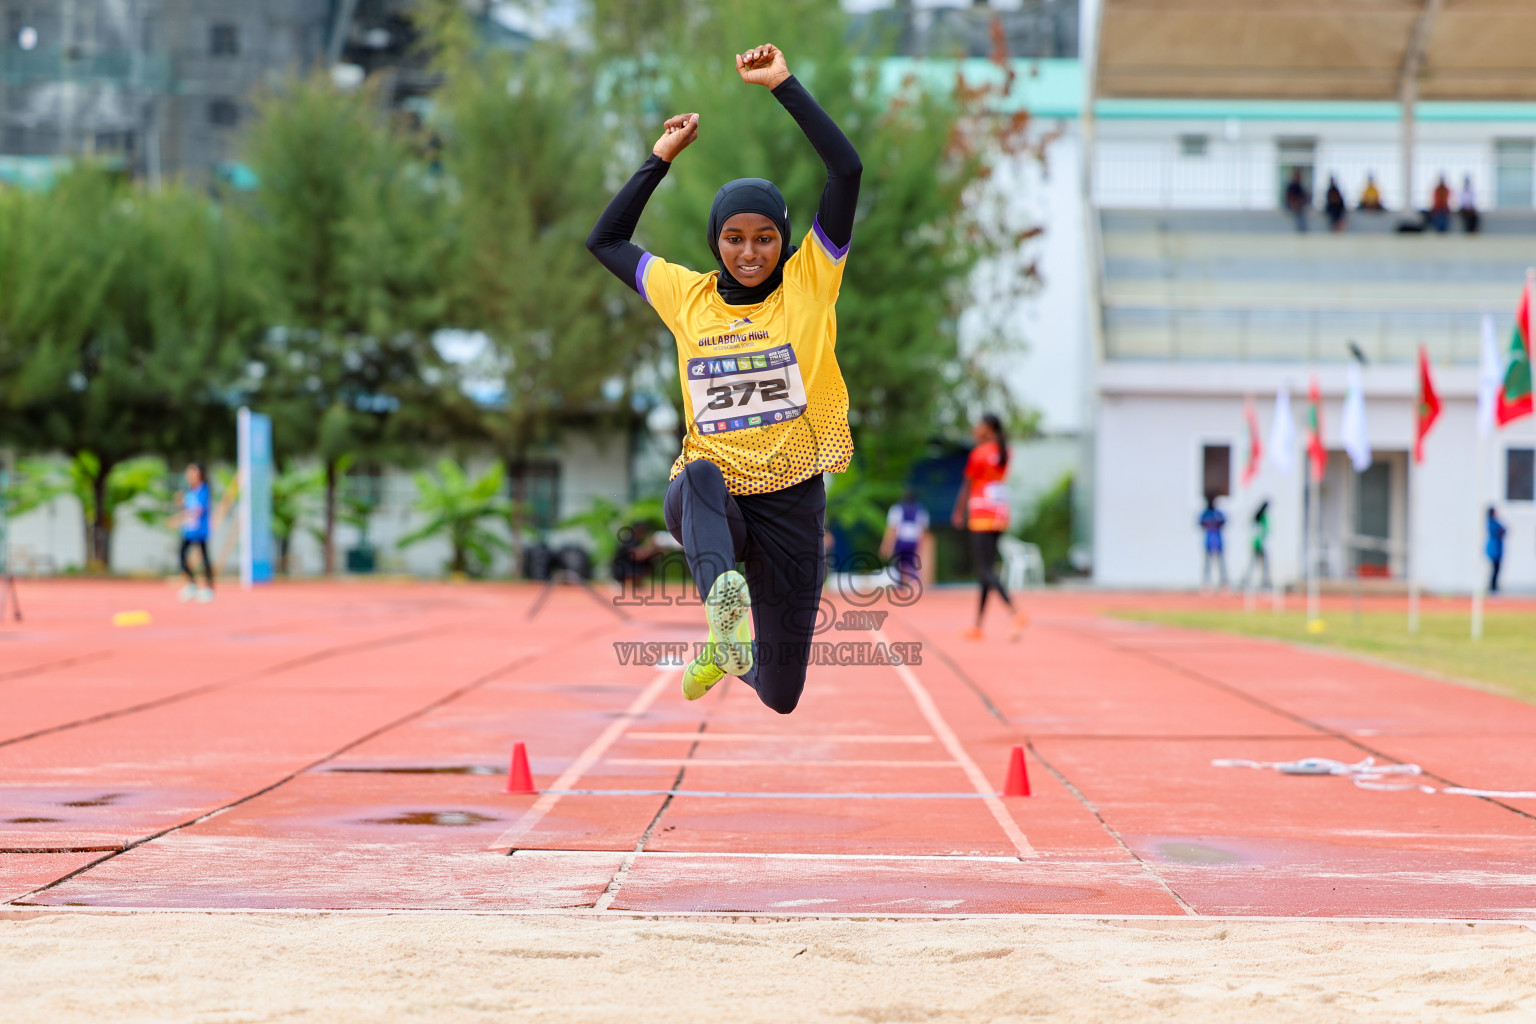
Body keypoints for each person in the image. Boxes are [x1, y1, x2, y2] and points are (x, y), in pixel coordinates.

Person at [584, 43, 861, 713]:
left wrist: (784, 85)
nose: (748, 251)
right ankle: (722, 611)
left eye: (764, 237)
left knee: (782, 694)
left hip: (793, 502)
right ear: (716, 241)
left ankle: (723, 653)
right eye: (733, 237)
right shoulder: (687, 296)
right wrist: (660, 159)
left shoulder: (810, 283)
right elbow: (607, 241)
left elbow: (846, 169)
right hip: (714, 502)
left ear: (784, 241)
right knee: (699, 477)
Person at [951, 414, 1025, 640]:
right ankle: (978, 626)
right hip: (1000, 513)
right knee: (987, 571)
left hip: (981, 512)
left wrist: (958, 510)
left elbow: (968, 484)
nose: (975, 429)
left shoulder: (979, 453)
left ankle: (1015, 611)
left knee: (984, 569)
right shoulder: (1005, 451)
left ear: (988, 428)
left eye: (979, 425)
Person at [175, 463, 214, 602]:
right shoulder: (189, 491)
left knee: (205, 558)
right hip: (189, 530)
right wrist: (180, 502)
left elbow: (199, 509)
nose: (190, 475)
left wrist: (178, 519)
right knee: (181, 555)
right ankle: (191, 584)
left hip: (201, 530)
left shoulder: (204, 489)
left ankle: (209, 588)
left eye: (193, 472)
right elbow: (185, 507)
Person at [880, 489, 928, 588]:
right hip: (913, 540)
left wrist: (887, 544)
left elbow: (893, 528)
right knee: (912, 562)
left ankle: (900, 583)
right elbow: (922, 529)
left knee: (899, 562)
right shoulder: (921, 510)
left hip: (901, 539)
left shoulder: (897, 509)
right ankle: (914, 582)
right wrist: (920, 545)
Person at [1198, 496, 1227, 592]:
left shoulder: (1218, 514)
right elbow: (1201, 523)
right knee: (1207, 564)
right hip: (1208, 542)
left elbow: (1224, 522)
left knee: (1221, 564)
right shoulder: (1205, 514)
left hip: (1219, 542)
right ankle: (1207, 584)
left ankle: (1224, 584)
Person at [1241, 500, 1270, 590]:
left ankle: (1247, 581)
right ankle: (1264, 583)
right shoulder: (1262, 518)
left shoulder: (1257, 517)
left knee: (1254, 564)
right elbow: (1265, 531)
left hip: (1256, 544)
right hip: (1259, 544)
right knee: (1262, 565)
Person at [1487, 506, 1507, 593]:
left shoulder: (1495, 522)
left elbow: (1504, 530)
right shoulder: (1491, 523)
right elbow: (1499, 531)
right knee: (1495, 569)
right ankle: (1492, 587)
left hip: (1497, 550)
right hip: (1494, 551)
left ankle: (1494, 587)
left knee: (1496, 569)